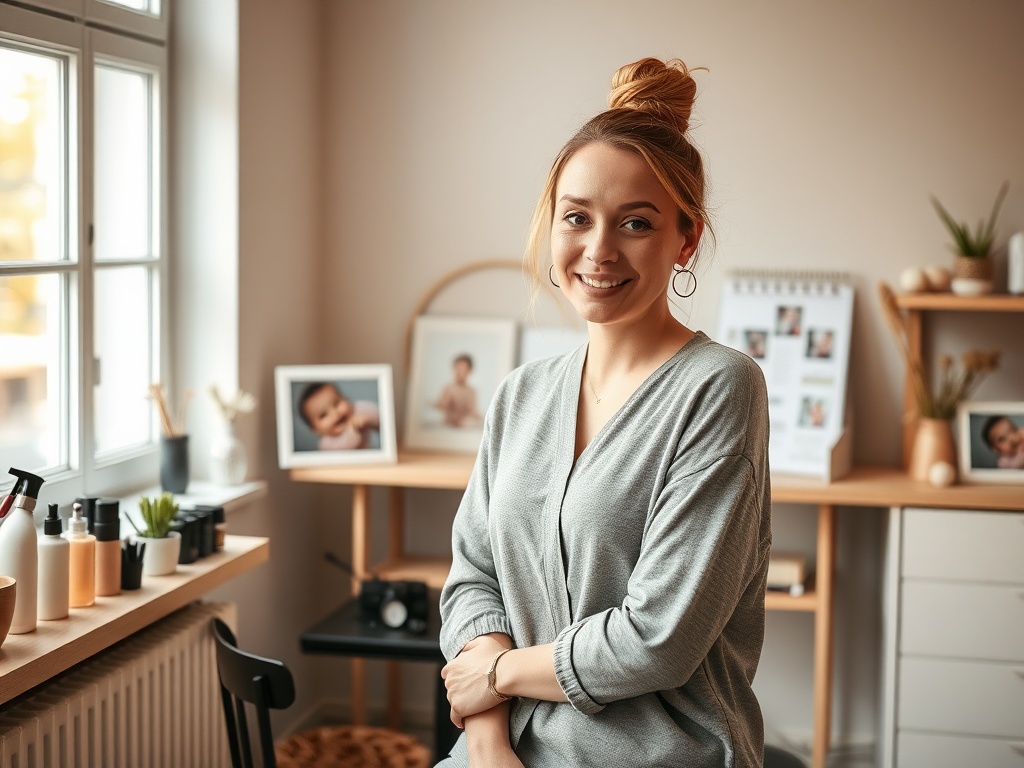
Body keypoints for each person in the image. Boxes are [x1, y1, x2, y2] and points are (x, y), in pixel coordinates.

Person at [437, 58, 771, 768]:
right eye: (577, 218)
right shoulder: (521, 395)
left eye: (636, 223)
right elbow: (473, 578)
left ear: (686, 239)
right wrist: (490, 743)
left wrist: (494, 675)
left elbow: (658, 640)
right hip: (503, 747)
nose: (599, 250)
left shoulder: (720, 389)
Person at [298, 381, 379, 450]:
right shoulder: (326, 444)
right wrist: (352, 429)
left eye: (336, 404)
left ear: (346, 400)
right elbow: (348, 445)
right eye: (323, 415)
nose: (335, 414)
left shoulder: (357, 410)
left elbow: (383, 418)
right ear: (315, 430)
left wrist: (369, 420)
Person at [434, 353, 483, 428]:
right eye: (456, 368)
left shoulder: (471, 391)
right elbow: (440, 404)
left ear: (469, 371)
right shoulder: (449, 387)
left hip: (464, 425)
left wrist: (480, 418)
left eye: (462, 369)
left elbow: (473, 411)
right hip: (449, 424)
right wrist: (444, 404)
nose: (458, 372)